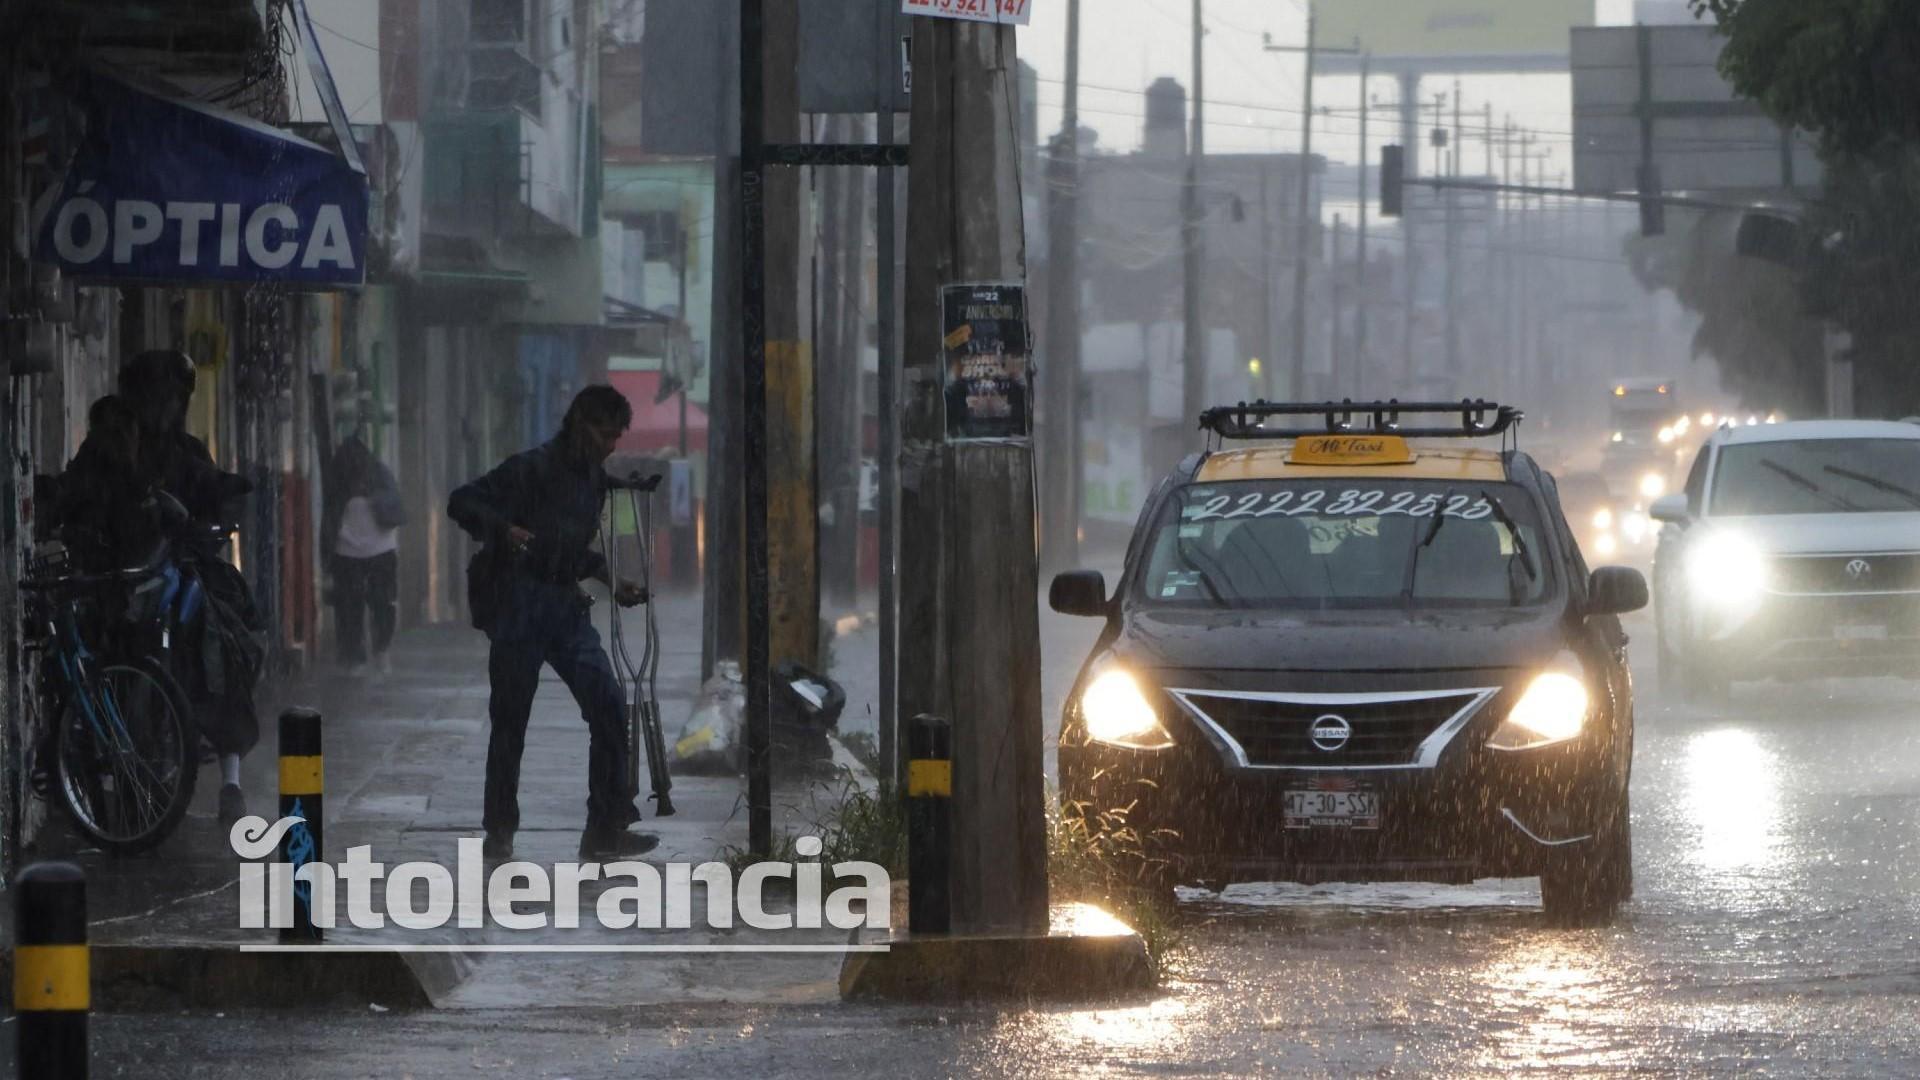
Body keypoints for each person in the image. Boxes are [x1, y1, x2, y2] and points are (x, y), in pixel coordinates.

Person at [447, 385, 656, 862]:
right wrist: (503, 530)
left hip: (564, 606)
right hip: (519, 604)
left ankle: (604, 829)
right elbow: (462, 501)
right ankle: (499, 831)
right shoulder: (530, 468)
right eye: (605, 434)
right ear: (581, 423)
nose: (611, 446)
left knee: (607, 704)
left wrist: (609, 578)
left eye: (617, 438)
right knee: (510, 722)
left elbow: (566, 549)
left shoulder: (594, 481)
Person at [117, 349, 264, 828]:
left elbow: (219, 495)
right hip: (125, 575)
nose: (162, 406)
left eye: (171, 397)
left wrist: (217, 520)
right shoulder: (116, 448)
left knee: (225, 642)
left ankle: (231, 780)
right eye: (155, 396)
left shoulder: (191, 453)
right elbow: (87, 493)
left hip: (185, 571)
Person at [324, 434, 404, 675]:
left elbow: (329, 520)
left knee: (351, 607)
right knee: (379, 603)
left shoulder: (340, 478)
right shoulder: (378, 473)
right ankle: (378, 652)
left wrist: (326, 556)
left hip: (348, 552)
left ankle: (356, 657)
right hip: (378, 550)